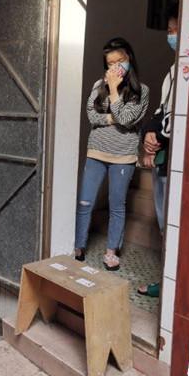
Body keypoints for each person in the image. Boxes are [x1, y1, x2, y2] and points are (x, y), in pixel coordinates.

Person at [74, 38, 149, 270]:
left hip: (123, 157)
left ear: (129, 59)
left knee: (117, 205)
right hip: (96, 152)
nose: (115, 67)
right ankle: (79, 246)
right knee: (85, 201)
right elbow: (91, 115)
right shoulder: (99, 85)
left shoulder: (141, 91)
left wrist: (114, 90)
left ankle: (111, 252)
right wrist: (111, 117)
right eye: (110, 63)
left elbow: (126, 119)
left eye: (120, 61)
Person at [138, 3, 179, 298]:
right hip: (163, 162)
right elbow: (161, 112)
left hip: (180, 163)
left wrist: (159, 136)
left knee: (177, 228)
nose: (171, 35)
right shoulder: (172, 72)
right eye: (169, 30)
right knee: (165, 226)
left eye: (176, 30)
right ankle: (166, 283)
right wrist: (150, 135)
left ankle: (174, 288)